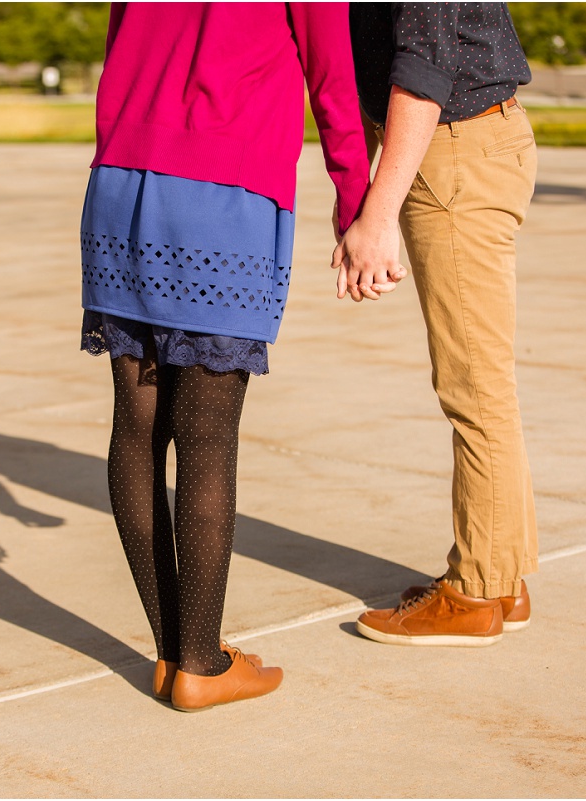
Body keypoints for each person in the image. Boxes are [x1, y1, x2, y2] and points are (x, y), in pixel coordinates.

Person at [81, 2, 375, 710]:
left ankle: (173, 652)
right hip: (223, 187)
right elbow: (333, 79)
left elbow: (122, 46)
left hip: (121, 180)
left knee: (137, 425)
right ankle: (202, 663)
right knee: (207, 439)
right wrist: (357, 202)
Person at [337, 2, 540, 645]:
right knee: (481, 383)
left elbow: (424, 68)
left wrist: (378, 212)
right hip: (465, 144)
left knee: (474, 387)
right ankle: (501, 575)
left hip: (452, 151)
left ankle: (477, 593)